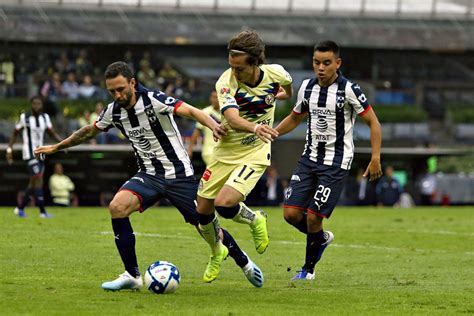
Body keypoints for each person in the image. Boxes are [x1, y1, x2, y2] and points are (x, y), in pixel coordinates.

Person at [34, 61, 264, 291]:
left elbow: (191, 111)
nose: (117, 94)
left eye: (121, 89)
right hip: (149, 175)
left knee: (205, 226)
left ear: (133, 83)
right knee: (117, 207)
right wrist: (57, 147)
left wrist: (213, 125)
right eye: (112, 91)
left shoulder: (154, 99)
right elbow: (88, 131)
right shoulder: (113, 112)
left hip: (179, 176)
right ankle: (132, 275)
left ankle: (244, 262)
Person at [275, 40, 382, 280]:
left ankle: (307, 271)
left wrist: (375, 158)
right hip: (309, 158)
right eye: (316, 62)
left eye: (326, 63)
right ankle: (321, 238)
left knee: (314, 217)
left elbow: (373, 122)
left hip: (336, 163)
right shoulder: (306, 87)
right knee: (291, 215)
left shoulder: (350, 90)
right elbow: (295, 118)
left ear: (337, 63)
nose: (320, 67)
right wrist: (272, 133)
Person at [196, 30, 293, 282]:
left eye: (239, 68)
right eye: (232, 66)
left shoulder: (276, 73)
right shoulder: (226, 82)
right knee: (203, 211)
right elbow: (231, 118)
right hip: (226, 151)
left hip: (256, 149)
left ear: (255, 63)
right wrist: (255, 126)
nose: (234, 72)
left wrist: (279, 96)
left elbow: (287, 89)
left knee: (225, 204)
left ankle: (255, 219)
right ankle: (217, 251)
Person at [6, 96, 63, 218]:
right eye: (34, 104)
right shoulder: (24, 118)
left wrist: (62, 144)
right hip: (29, 153)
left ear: (42, 105)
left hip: (41, 153)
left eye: (39, 104)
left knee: (33, 182)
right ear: (31, 105)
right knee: (38, 179)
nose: (37, 106)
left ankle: (20, 208)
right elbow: (15, 133)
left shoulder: (45, 117)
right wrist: (9, 149)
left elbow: (51, 132)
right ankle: (42, 211)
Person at [187, 90, 220, 166]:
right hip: (209, 151)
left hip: (224, 151)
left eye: (216, 97)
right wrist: (190, 149)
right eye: (212, 97)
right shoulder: (205, 112)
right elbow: (197, 131)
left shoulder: (227, 113)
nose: (214, 100)